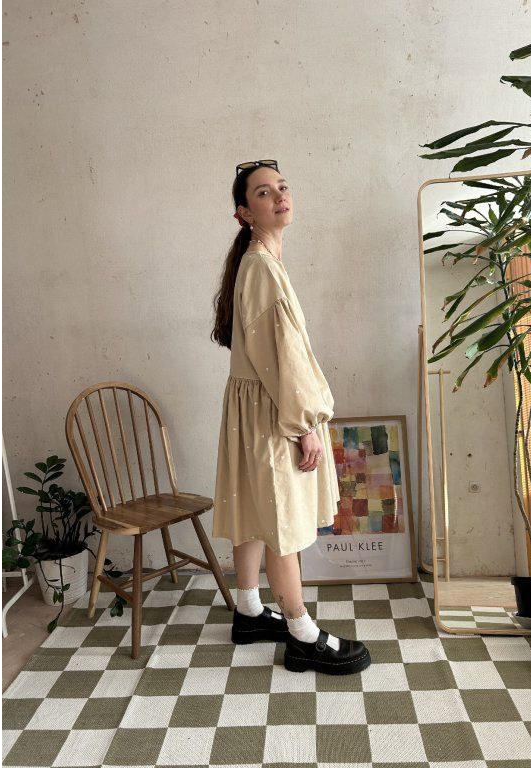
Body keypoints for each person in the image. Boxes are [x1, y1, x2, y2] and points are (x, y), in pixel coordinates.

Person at [209, 160, 370, 675]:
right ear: (243, 212)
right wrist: (304, 427)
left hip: (254, 406)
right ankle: (301, 634)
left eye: (282, 187)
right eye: (263, 192)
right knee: (281, 517)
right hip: (272, 410)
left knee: (256, 508)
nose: (279, 196)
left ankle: (249, 610)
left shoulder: (258, 262)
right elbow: (282, 358)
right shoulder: (261, 266)